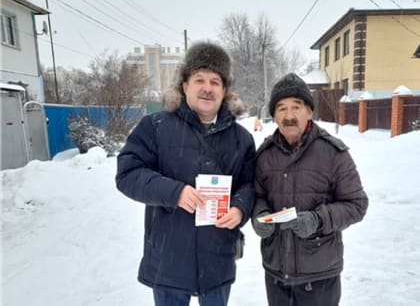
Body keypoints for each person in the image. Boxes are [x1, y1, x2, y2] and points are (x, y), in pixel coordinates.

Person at [115, 41, 256, 306]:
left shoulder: (242, 139)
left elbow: (249, 185)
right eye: (199, 79)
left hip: (217, 259)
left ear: (224, 90)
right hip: (169, 259)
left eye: (215, 81)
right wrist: (174, 192)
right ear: (184, 86)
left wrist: (239, 208)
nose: (207, 88)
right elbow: (127, 173)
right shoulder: (155, 127)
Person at [251, 73, 368, 306]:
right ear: (273, 115)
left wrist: (318, 220)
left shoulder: (333, 153)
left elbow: (357, 204)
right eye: (281, 109)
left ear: (310, 111)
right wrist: (260, 217)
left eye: (297, 107)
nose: (289, 116)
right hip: (276, 275)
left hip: (320, 277)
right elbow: (257, 196)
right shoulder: (264, 155)